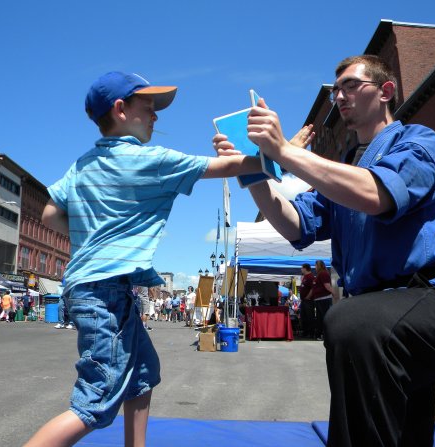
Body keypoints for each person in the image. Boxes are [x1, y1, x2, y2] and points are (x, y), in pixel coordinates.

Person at [213, 55, 435, 447]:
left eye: (351, 86)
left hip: (429, 302)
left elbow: (376, 193)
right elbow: (293, 224)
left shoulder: (419, 141)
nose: (340, 96)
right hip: (377, 314)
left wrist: (285, 153)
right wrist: (251, 172)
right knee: (408, 428)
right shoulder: (342, 169)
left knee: (352, 323)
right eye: (336, 89)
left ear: (386, 91)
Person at [26, 70, 262, 447]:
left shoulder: (82, 164)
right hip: (104, 292)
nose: (157, 117)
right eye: (149, 108)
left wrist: (97, 219)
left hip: (90, 286)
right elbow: (229, 167)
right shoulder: (148, 159)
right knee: (96, 400)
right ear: (121, 109)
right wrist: (281, 151)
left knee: (142, 373)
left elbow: (50, 215)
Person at [311, 260, 334, 340]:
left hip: (324, 299)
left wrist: (334, 294)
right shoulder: (320, 274)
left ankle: (325, 335)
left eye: (316, 265)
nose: (315, 267)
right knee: (320, 318)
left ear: (320, 266)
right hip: (319, 299)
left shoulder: (323, 274)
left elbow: (327, 285)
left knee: (324, 317)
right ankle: (320, 334)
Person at [299, 263, 316, 338]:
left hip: (308, 301)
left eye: (302, 268)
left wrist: (308, 297)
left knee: (309, 317)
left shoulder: (310, 277)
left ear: (305, 268)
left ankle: (311, 333)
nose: (301, 269)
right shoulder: (305, 277)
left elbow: (313, 288)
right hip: (304, 300)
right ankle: (305, 332)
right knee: (304, 317)